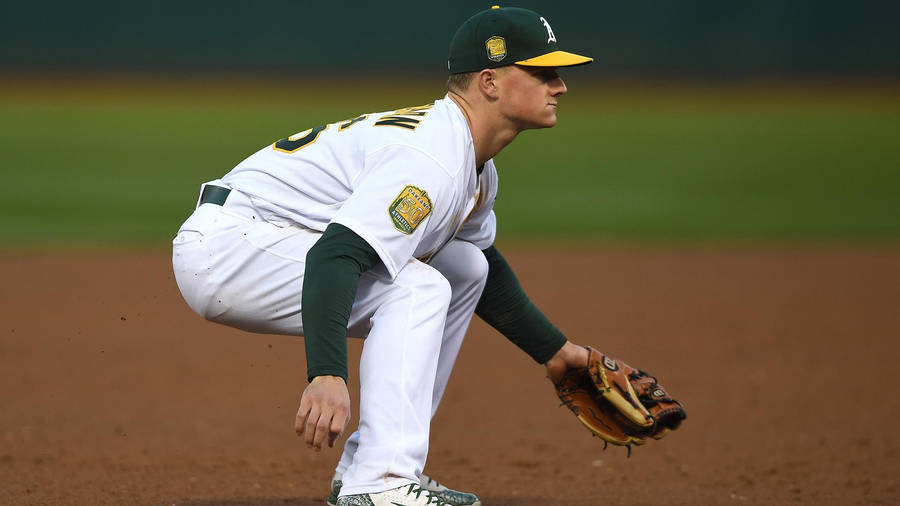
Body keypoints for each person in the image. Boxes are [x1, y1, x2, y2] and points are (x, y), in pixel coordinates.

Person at [172, 6, 594, 506]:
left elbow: (481, 265)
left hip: (273, 237)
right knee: (419, 286)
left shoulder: (471, 163)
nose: (560, 86)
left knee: (464, 267)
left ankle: (366, 468)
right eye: (543, 72)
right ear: (489, 82)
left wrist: (557, 353)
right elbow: (334, 256)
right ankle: (382, 481)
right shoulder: (430, 157)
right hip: (231, 246)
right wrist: (327, 373)